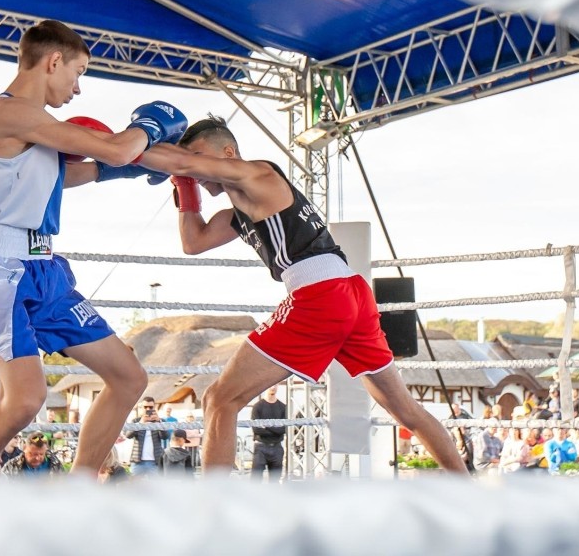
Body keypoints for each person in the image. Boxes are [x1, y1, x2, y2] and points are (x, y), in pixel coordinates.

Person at [137, 116, 469, 475]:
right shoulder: (236, 214)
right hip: (349, 293)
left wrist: (127, 144)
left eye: (199, 156)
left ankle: (216, 510)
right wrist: (186, 189)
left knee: (220, 398)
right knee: (403, 407)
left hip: (320, 295)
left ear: (228, 152)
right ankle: (466, 487)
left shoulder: (260, 173)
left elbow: (181, 162)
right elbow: (193, 242)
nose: (196, 169)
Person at [0, 19, 187, 476]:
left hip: (44, 267)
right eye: (78, 72)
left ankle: (79, 490)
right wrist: (149, 126)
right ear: (53, 61)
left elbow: (61, 178)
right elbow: (120, 149)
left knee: (128, 377)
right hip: (1, 266)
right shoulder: (6, 114)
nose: (78, 88)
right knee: (23, 399)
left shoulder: (37, 126)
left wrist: (118, 170)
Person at [250, 384, 286, 483]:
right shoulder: (258, 406)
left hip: (277, 447)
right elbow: (256, 430)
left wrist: (265, 425)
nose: (273, 387)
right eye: (270, 385)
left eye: (275, 385)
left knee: (275, 482)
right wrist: (275, 427)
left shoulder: (283, 407)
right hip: (261, 446)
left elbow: (283, 430)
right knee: (255, 481)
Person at [124, 397, 167, 478]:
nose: (148, 409)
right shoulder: (136, 421)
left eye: (150, 407)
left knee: (157, 487)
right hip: (137, 462)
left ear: (155, 407)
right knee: (133, 486)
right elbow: (128, 435)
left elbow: (165, 436)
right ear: (141, 408)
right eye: (145, 407)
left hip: (155, 462)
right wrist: (141, 423)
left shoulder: (160, 421)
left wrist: (158, 422)